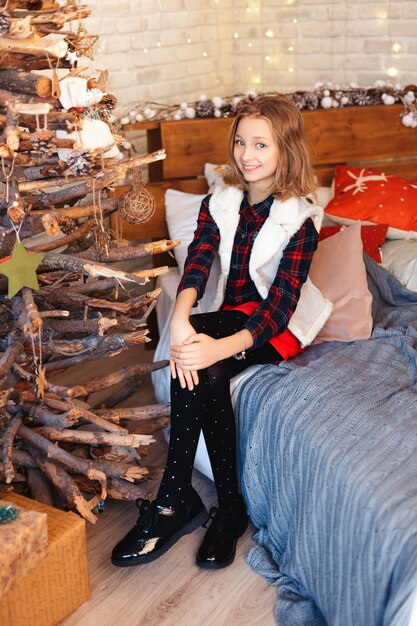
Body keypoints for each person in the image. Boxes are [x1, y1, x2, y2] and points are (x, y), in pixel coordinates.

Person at [111, 94, 322, 570]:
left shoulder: (302, 219)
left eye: (262, 144)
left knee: (204, 354)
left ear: (286, 149)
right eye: (242, 142)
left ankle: (175, 503)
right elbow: (201, 259)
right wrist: (181, 316)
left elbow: (280, 307)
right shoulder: (222, 201)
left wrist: (218, 347)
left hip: (272, 326)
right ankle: (226, 508)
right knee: (200, 360)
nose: (248, 155)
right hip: (227, 313)